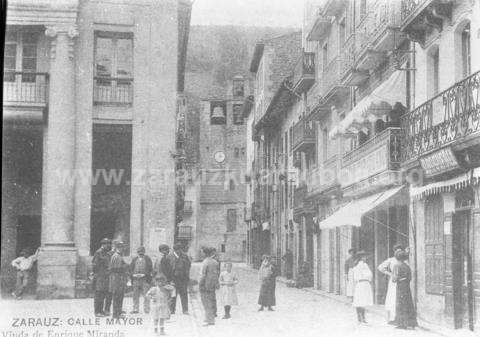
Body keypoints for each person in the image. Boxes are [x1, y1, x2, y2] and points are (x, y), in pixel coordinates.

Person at [378, 244, 403, 323]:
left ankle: (399, 318)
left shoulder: (403, 260)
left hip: (401, 281)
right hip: (393, 282)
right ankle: (391, 318)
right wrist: (390, 274)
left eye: (400, 251)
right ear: (394, 251)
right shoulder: (391, 260)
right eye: (397, 250)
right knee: (392, 298)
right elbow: (380, 267)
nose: (398, 252)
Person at [392, 250, 417, 329]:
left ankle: (402, 324)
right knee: (408, 303)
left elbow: (394, 279)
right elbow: (410, 278)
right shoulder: (407, 266)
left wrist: (396, 279)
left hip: (400, 287)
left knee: (400, 304)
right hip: (407, 286)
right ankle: (411, 323)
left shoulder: (396, 266)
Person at [167, 243, 191, 314]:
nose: (179, 251)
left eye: (180, 250)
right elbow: (167, 268)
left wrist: (186, 276)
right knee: (173, 294)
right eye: (177, 250)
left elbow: (188, 265)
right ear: (174, 250)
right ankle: (172, 310)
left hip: (183, 279)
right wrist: (169, 279)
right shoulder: (170, 257)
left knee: (184, 294)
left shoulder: (184, 256)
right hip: (173, 278)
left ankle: (185, 310)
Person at [199, 247, 220, 326]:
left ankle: (209, 320)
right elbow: (216, 274)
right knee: (211, 301)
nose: (201, 254)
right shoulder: (215, 262)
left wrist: (200, 284)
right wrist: (216, 284)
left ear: (205, 253)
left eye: (202, 252)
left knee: (206, 302)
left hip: (205, 285)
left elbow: (203, 275)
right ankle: (210, 318)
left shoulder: (205, 262)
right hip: (212, 285)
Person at [352, 251, 373, 324]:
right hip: (363, 284)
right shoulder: (362, 265)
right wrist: (366, 276)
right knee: (361, 301)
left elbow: (369, 275)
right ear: (361, 257)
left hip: (360, 284)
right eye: (364, 257)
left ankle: (360, 319)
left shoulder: (358, 266)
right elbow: (369, 275)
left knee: (360, 301)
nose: (365, 258)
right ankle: (362, 318)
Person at [130, 246, 153, 314]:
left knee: (146, 295)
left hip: (145, 279)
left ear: (144, 252)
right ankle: (135, 309)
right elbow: (131, 268)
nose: (140, 254)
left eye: (142, 252)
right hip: (136, 280)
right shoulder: (134, 259)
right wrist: (133, 275)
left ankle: (146, 309)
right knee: (135, 295)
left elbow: (150, 269)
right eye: (139, 253)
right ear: (137, 253)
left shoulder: (147, 259)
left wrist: (145, 274)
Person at [92, 238, 112, 316]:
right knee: (98, 295)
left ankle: (101, 310)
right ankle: (97, 311)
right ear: (103, 245)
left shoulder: (107, 253)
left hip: (105, 277)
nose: (109, 246)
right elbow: (95, 265)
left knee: (103, 294)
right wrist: (98, 273)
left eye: (109, 244)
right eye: (107, 244)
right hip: (100, 277)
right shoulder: (98, 253)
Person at [109, 241, 129, 319]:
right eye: (121, 247)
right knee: (117, 297)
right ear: (118, 248)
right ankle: (116, 314)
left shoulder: (117, 256)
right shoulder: (117, 256)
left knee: (119, 296)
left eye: (123, 247)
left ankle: (118, 312)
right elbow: (116, 269)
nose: (123, 249)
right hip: (117, 279)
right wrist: (125, 266)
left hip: (118, 279)